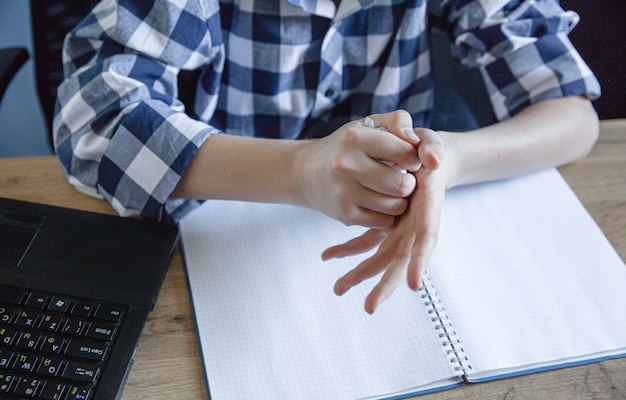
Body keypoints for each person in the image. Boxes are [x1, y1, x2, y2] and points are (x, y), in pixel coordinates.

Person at [54, 0, 600, 313]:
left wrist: (449, 157)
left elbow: (573, 117)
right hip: (220, 239)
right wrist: (301, 170)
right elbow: (91, 122)